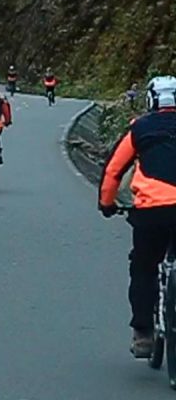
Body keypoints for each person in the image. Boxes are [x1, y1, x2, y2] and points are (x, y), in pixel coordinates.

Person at [99, 75, 176, 358]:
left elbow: (113, 171)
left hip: (152, 211)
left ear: (151, 100)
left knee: (144, 266)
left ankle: (143, 333)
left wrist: (107, 204)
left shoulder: (140, 128)